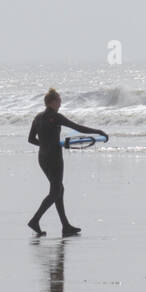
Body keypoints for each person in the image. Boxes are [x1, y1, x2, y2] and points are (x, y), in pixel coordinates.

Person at [26, 89, 107, 237]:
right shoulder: (55, 117)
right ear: (51, 102)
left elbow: (31, 139)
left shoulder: (37, 118)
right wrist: (98, 131)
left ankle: (65, 226)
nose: (60, 102)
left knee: (58, 190)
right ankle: (35, 220)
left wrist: (45, 145)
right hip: (54, 158)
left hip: (43, 158)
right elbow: (77, 127)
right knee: (56, 191)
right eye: (58, 100)